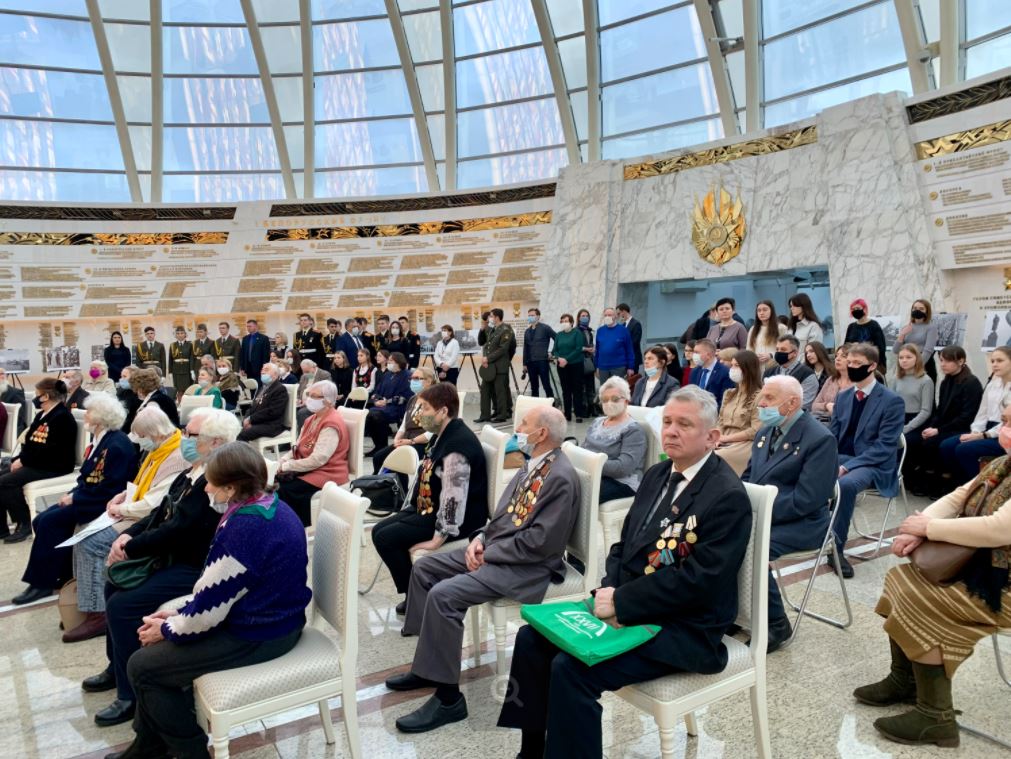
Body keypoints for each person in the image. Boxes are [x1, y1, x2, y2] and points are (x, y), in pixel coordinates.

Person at [497, 387, 751, 758]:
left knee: (571, 670)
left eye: (684, 424)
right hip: (631, 605)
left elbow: (701, 581)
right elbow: (624, 546)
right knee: (531, 640)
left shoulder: (726, 495)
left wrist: (623, 602)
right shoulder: (658, 474)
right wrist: (610, 593)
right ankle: (532, 752)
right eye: (667, 422)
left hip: (685, 627)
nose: (671, 431)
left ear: (712, 437)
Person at [386, 406, 580, 735]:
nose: (518, 428)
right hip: (500, 551)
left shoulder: (559, 477)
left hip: (527, 567)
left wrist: (489, 553)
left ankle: (449, 699)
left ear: (542, 434)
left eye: (524, 423)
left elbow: (541, 543)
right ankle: (428, 666)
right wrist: (480, 538)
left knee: (444, 596)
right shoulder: (533, 463)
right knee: (425, 569)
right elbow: (502, 515)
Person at [111, 441, 310, 759]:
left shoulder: (244, 528)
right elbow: (222, 592)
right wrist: (176, 614)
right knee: (152, 654)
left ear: (231, 488)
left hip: (261, 633)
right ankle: (150, 745)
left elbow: (208, 612)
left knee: (142, 666)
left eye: (211, 482)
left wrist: (168, 628)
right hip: (274, 618)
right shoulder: (272, 504)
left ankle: (188, 752)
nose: (206, 488)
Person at [853, 404, 1011, 747]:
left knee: (920, 599)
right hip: (986, 571)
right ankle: (905, 680)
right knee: (901, 580)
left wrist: (929, 529)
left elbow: (1000, 528)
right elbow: (958, 497)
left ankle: (935, 716)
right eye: (1005, 421)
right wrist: (919, 527)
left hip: (1005, 586)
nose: (1005, 430)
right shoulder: (1002, 463)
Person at [82, 408, 240, 728]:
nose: (183, 438)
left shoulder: (216, 480)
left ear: (216, 442)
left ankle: (131, 694)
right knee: (113, 585)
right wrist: (128, 535)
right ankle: (117, 667)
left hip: (195, 565)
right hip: (175, 555)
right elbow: (160, 514)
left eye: (191, 435)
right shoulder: (192, 471)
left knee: (124, 605)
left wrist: (132, 547)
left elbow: (179, 529)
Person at [68, 406, 187, 643]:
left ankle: (98, 613)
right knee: (82, 532)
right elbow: (143, 482)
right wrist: (122, 496)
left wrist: (121, 509)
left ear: (155, 433)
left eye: (141, 436)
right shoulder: (159, 448)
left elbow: (154, 503)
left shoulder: (178, 455)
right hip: (135, 508)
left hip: (147, 517)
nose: (138, 441)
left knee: (91, 543)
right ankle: (88, 601)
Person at [372, 383, 489, 614]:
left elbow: (453, 497)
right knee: (378, 531)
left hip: (459, 520)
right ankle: (414, 592)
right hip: (430, 507)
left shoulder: (457, 444)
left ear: (443, 411)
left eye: (425, 408)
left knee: (386, 538)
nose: (420, 414)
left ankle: (417, 597)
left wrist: (438, 538)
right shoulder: (442, 434)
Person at [13, 394, 138, 605]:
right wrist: (73, 493)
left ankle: (41, 584)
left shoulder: (116, 445)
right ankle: (61, 573)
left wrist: (76, 498)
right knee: (41, 519)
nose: (85, 415)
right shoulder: (101, 439)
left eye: (89, 412)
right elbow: (86, 476)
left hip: (102, 503)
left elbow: (110, 488)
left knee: (49, 522)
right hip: (89, 496)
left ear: (100, 418)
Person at [743, 376, 838, 652]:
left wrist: (760, 513)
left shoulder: (819, 439)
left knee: (748, 546)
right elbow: (748, 477)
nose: (761, 404)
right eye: (762, 397)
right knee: (721, 535)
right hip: (768, 515)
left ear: (792, 403)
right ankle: (738, 612)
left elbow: (807, 500)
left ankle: (776, 623)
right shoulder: (765, 433)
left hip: (804, 524)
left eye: (769, 398)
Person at [829, 343, 905, 577]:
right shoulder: (843, 396)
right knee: (802, 469)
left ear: (872, 366)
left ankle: (835, 549)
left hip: (873, 463)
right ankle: (812, 533)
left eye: (857, 363)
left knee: (845, 485)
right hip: (842, 457)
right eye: (849, 362)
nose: (851, 367)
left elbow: (884, 447)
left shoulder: (891, 401)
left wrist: (846, 466)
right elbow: (832, 436)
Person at [0, 378, 78, 543]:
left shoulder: (62, 417)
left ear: (46, 396)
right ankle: (2, 528)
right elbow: (30, 442)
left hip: (54, 465)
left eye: (38, 394)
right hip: (39, 461)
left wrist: (23, 461)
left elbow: (50, 449)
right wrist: (19, 459)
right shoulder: (43, 414)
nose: (36, 398)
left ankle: (24, 523)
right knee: (2, 476)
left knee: (6, 482)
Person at [906, 345, 983, 498]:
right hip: (947, 426)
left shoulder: (971, 383)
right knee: (920, 438)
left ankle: (942, 480)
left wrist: (938, 430)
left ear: (961, 361)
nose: (943, 364)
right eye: (941, 360)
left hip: (963, 428)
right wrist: (932, 426)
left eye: (947, 361)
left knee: (935, 443)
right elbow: (941, 410)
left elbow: (967, 416)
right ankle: (920, 478)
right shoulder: (946, 381)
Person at [275, 381, 350, 526]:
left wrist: (288, 466)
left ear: (328, 401)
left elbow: (318, 459)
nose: (309, 399)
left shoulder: (331, 424)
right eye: (309, 394)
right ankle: (279, 523)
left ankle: (294, 527)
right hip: (310, 467)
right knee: (273, 480)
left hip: (328, 471)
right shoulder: (311, 418)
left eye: (314, 396)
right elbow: (297, 447)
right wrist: (282, 460)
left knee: (285, 489)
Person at [938, 345, 1011, 483]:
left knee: (964, 449)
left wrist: (983, 435)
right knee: (947, 446)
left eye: (1000, 361)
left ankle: (979, 486)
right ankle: (961, 483)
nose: (995, 364)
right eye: (993, 361)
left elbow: (1007, 423)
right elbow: (982, 412)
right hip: (986, 429)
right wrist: (975, 431)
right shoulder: (993, 384)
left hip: (1004, 434)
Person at [583, 378, 647, 502]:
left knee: (580, 492)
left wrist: (589, 463)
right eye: (605, 400)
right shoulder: (597, 422)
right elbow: (583, 449)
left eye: (615, 399)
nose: (609, 403)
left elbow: (623, 468)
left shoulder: (633, 430)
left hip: (621, 482)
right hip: (593, 474)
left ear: (626, 401)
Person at [372, 366, 436, 473]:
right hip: (406, 440)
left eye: (417, 378)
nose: (413, 381)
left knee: (397, 461)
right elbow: (403, 425)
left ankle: (396, 482)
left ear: (429, 381)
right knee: (378, 457)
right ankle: (380, 481)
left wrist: (411, 441)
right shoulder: (413, 398)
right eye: (412, 378)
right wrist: (397, 440)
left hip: (422, 444)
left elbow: (430, 434)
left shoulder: (434, 401)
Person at [714, 349, 763, 475]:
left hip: (745, 444)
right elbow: (720, 421)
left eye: (737, 366)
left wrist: (726, 438)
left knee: (715, 458)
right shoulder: (729, 393)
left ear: (748, 368)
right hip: (722, 440)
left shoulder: (760, 395)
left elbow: (755, 430)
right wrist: (718, 437)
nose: (732, 369)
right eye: (732, 365)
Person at [365, 351, 414, 451]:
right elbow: (377, 391)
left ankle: (382, 446)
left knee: (376, 415)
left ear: (398, 362)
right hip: (382, 406)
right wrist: (377, 400)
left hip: (398, 407)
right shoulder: (387, 375)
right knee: (368, 414)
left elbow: (405, 396)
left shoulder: (407, 375)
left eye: (391, 361)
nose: (388, 363)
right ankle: (378, 446)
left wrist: (386, 402)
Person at [475, 309, 512, 424]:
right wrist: (482, 329)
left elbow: (503, 349)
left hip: (499, 366)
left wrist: (488, 358)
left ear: (497, 317)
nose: (489, 318)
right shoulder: (491, 330)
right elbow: (484, 343)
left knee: (500, 392)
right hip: (489, 366)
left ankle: (502, 415)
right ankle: (484, 415)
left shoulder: (505, 330)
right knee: (485, 390)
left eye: (491, 316)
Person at [763, 335, 818, 411]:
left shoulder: (807, 375)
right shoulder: (769, 373)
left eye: (783, 350)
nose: (779, 352)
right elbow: (762, 399)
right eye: (777, 349)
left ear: (794, 353)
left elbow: (803, 404)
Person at [238, 362, 289, 443]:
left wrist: (251, 419)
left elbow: (273, 412)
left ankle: (241, 451)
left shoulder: (280, 389)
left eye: (266, 370)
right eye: (262, 369)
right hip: (258, 422)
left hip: (271, 425)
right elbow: (252, 407)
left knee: (242, 435)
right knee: (235, 430)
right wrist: (246, 419)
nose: (262, 372)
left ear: (275, 374)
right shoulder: (262, 388)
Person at [889, 344, 934, 435]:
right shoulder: (896, 378)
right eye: (901, 358)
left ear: (917, 359)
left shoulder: (926, 381)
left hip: (916, 422)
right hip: (898, 418)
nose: (904, 360)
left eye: (908, 357)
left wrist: (906, 428)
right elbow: (891, 404)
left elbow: (926, 411)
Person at [552, 314, 587, 422]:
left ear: (571, 322)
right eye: (562, 321)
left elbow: (578, 349)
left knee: (577, 389)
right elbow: (555, 350)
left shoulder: (577, 333)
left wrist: (566, 359)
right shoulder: (559, 335)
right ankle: (567, 414)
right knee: (566, 390)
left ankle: (578, 414)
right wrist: (559, 358)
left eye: (566, 321)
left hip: (575, 365)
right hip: (562, 366)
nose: (564, 323)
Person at [895, 298, 939, 382]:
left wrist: (915, 367)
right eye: (915, 308)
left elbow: (928, 350)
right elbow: (896, 350)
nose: (917, 310)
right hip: (906, 368)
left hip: (924, 366)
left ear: (927, 311)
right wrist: (902, 334)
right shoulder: (906, 327)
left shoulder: (931, 328)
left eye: (921, 309)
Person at [844, 299, 888, 373]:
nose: (855, 310)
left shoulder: (874, 325)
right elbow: (846, 346)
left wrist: (860, 346)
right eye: (853, 309)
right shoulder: (851, 327)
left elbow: (881, 347)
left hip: (872, 364)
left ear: (864, 309)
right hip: (855, 364)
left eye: (857, 308)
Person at [688, 339, 734, 408]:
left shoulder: (725, 372)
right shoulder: (695, 371)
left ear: (708, 355)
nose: (694, 355)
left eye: (697, 352)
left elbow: (724, 401)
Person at [594, 307, 635, 382]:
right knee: (605, 388)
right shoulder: (600, 331)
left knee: (617, 388)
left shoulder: (623, 330)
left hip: (618, 367)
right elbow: (597, 350)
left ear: (615, 316)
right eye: (605, 315)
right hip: (603, 368)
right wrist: (596, 366)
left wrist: (630, 367)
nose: (607, 317)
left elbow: (629, 350)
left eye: (610, 315)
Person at [523, 308, 556, 398]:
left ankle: (551, 404)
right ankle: (535, 405)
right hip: (530, 363)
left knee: (546, 385)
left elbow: (557, 339)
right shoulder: (527, 331)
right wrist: (524, 364)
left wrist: (552, 353)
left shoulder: (545, 328)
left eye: (532, 315)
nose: (530, 317)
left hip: (542, 361)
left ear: (538, 316)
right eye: (529, 315)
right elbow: (525, 348)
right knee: (534, 387)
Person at [748, 300, 786, 365]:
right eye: (759, 310)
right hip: (757, 366)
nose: (761, 313)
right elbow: (749, 349)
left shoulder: (781, 328)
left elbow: (786, 349)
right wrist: (753, 357)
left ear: (771, 311)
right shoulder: (753, 329)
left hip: (774, 365)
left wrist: (771, 355)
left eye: (765, 310)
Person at [576, 308, 597, 417]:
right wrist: (586, 349)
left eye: (586, 316)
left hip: (589, 361)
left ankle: (592, 408)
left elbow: (590, 344)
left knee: (590, 386)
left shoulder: (589, 331)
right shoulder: (576, 331)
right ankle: (584, 409)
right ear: (578, 318)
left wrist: (592, 348)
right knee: (582, 387)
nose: (585, 318)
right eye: (583, 316)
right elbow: (574, 346)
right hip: (579, 361)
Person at [239, 319, 272, 385]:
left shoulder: (263, 338)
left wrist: (264, 367)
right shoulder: (245, 338)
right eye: (247, 326)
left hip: (259, 368)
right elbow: (243, 354)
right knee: (251, 385)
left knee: (259, 386)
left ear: (256, 326)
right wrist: (242, 368)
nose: (248, 328)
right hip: (248, 368)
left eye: (250, 326)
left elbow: (266, 354)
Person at [616, 303, 643, 372]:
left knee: (632, 378)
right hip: (623, 359)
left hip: (633, 358)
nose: (618, 316)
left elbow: (635, 341)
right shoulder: (622, 325)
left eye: (619, 313)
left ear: (624, 311)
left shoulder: (636, 324)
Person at [0, 366, 27, 432]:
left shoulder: (16, 393)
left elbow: (19, 420)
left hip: (8, 431)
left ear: (5, 377)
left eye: (2, 374)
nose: (1, 376)